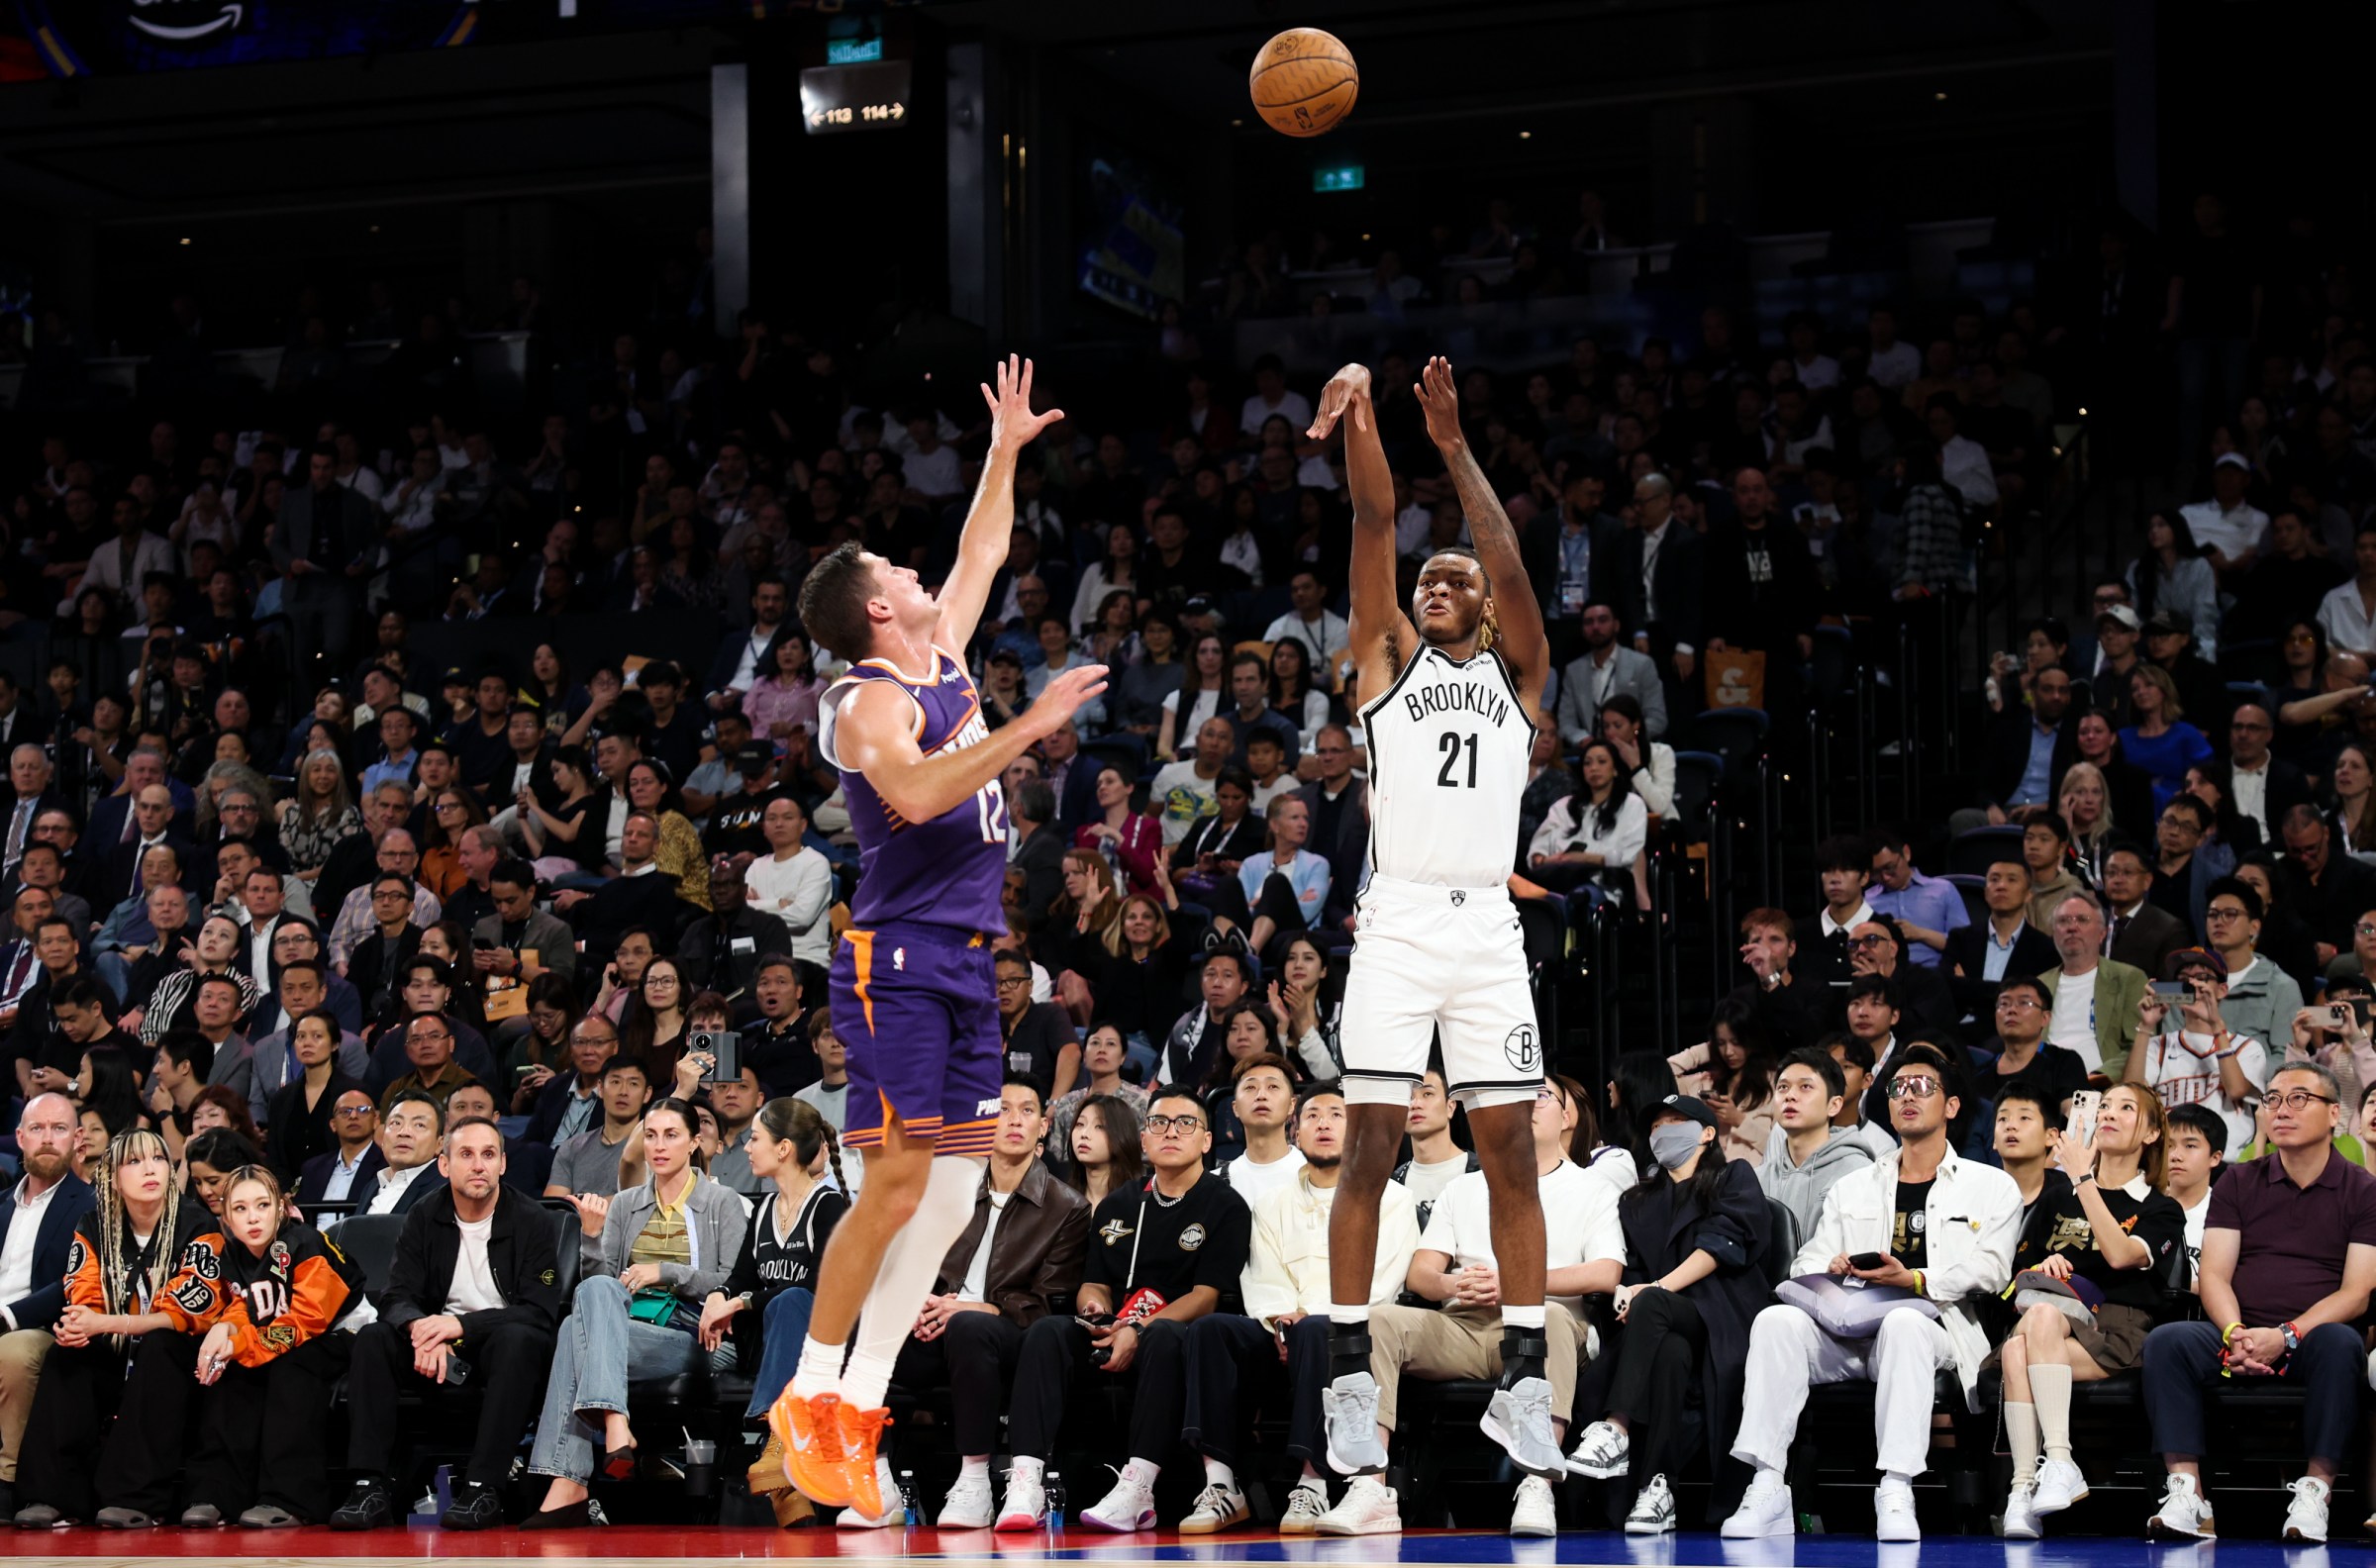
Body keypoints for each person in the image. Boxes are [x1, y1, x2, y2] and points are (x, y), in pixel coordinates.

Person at [770, 357, 1106, 1520]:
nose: (920, 574)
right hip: (899, 959)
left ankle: (857, 1408)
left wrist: (1006, 451)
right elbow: (914, 798)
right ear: (874, 609)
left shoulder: (941, 650)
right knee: (901, 1180)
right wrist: (1035, 721)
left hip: (965, 960)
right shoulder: (866, 699)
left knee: (957, 1196)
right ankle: (812, 1391)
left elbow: (980, 554)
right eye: (895, 572)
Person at [1307, 355, 1566, 1493]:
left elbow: (1510, 566)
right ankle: (1348, 1368)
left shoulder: (1520, 677)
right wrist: (1367, 414)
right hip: (1404, 919)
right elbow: (1372, 514)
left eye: (1458, 576)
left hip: (1488, 932)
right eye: (1433, 579)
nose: (1442, 583)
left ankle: (1520, 1374)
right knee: (1369, 1146)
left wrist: (1457, 446)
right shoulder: (1384, 663)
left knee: (1510, 1151)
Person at [1722, 1045, 2022, 1542]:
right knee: (1775, 1321)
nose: (1908, 1096)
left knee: (1906, 1323)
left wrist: (1915, 1281)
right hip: (1848, 1326)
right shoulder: (1856, 1186)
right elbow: (1807, 1262)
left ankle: (1896, 1486)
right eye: (1899, 1087)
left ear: (1951, 1106)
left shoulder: (1990, 1186)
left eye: (1923, 1087)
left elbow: (1991, 1270)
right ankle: (1768, 1483)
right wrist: (1834, 1270)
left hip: (1937, 1329)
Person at [1317, 1075, 1619, 1538]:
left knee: (1552, 1317)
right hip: (1463, 1323)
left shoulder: (1593, 1188)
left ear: (1567, 1116)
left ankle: (1538, 1483)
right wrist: (1453, 1282)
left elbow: (1605, 1273)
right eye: (1517, 1098)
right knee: (1379, 1320)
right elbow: (1421, 1274)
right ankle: (1371, 1489)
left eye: (1541, 1097)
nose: (1527, 1105)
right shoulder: (1464, 1188)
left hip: (1547, 1322)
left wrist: (1519, 1285)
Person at [992, 1084, 1252, 1532]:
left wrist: (1140, 1327)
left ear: (1206, 1140)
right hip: (1113, 1325)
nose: (1171, 1132)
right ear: (1144, 1139)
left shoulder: (1225, 1204)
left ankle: (1139, 1486)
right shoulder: (1119, 1204)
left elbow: (1206, 1296)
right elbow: (1093, 1281)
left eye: (1186, 1123)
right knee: (1048, 1332)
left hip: (1176, 1332)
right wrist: (1095, 1309)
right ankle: (1026, 1479)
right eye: (1158, 1123)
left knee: (1166, 1338)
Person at [2138, 1061, 2376, 1544]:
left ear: (2334, 1114)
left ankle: (2315, 1494)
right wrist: (2234, 1336)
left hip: (2310, 1338)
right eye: (2271, 1100)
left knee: (2340, 1344)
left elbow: (2356, 1292)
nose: (2280, 1110)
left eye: (2298, 1099)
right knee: (2170, 1341)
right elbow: (2216, 1276)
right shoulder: (2239, 1181)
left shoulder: (2363, 1189)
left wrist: (2286, 1335)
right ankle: (2188, 1494)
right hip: (2242, 1335)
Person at [1177, 1082, 1422, 1534]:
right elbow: (1262, 1275)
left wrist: (1305, 1320)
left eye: (1336, 1114)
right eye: (1312, 1116)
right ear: (1296, 1132)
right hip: (1282, 1328)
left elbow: (1385, 1280)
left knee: (1315, 1332)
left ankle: (1313, 1485)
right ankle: (1221, 1485)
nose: (1324, 1123)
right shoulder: (1272, 1202)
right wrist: (1278, 1324)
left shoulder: (1390, 1197)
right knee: (1211, 1331)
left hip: (1352, 1335)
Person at [523, 1097, 750, 1528]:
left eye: (670, 1135)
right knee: (587, 1304)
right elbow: (600, 1286)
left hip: (697, 1333)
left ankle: (571, 1478)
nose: (658, 1146)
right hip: (627, 1328)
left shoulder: (723, 1203)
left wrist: (663, 1271)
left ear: (694, 1142)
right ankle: (614, 1424)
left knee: (574, 1330)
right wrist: (590, 1238)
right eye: (650, 1135)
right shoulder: (625, 1204)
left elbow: (730, 1282)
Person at [329, 1117, 562, 1531]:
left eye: (489, 1155)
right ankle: (369, 1487)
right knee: (373, 1339)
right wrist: (421, 1329)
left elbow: (538, 1311)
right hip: (435, 1349)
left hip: (496, 1347)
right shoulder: (423, 1214)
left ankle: (482, 1488)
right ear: (444, 1164)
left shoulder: (533, 1221)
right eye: (466, 1155)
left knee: (519, 1340)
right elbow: (396, 1295)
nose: (478, 1166)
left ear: (503, 1165)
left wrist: (461, 1328)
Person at [1567, 1094, 1773, 1534]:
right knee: (1670, 1354)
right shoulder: (1637, 1200)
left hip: (1722, 1313)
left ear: (1707, 1133)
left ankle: (1615, 1428)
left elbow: (1724, 1245)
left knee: (1656, 1306)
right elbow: (1633, 1270)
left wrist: (1653, 1290)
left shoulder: (1732, 1176)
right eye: (1657, 1125)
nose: (1664, 1131)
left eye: (1677, 1121)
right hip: (1660, 1327)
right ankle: (1657, 1489)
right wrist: (1627, 1293)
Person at [889, 1077, 1089, 1530]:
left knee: (969, 1329)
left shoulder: (1067, 1206)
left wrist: (979, 1309)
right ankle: (877, 1476)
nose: (1014, 1119)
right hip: (942, 1322)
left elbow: (1049, 1302)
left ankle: (975, 1478)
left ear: (1043, 1127)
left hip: (1011, 1333)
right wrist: (919, 1300)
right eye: (1001, 1109)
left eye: (1026, 1110)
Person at [145, 1163, 365, 1525]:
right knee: (229, 1369)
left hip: (342, 1333)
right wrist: (225, 1333)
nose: (253, 1218)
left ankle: (290, 1499)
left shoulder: (306, 1243)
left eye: (263, 1205)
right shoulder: (231, 1254)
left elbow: (305, 1322)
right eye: (241, 1209)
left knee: (289, 1365)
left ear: (281, 1207)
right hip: (278, 1336)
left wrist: (240, 1342)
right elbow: (242, 1307)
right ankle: (214, 1493)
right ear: (226, 1217)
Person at [7, 1128, 206, 1529]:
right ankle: (52, 1495)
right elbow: (81, 1289)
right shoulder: (94, 1222)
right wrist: (79, 1324)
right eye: (134, 1162)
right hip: (115, 1352)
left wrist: (108, 1323)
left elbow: (187, 1311)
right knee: (68, 1353)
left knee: (160, 1344)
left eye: (158, 1159)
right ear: (113, 1177)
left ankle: (135, 1498)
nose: (149, 1169)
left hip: (185, 1361)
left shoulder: (197, 1223)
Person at [706, 1099, 852, 1529]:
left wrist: (747, 1301)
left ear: (784, 1148)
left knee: (792, 1302)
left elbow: (824, 1285)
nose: (746, 1148)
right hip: (766, 1348)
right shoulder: (763, 1210)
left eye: (754, 1139)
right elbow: (739, 1277)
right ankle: (789, 1488)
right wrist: (719, 1297)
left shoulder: (828, 1207)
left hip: (818, 1348)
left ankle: (779, 1441)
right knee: (780, 1304)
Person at [0, 1093, 94, 1512]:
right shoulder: (1, 1206)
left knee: (12, 1352)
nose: (47, 1139)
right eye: (37, 1129)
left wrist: (8, 1315)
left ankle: (4, 1480)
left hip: (43, 1327)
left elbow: (73, 1281)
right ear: (20, 1138)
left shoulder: (90, 1206)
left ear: (77, 1140)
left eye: (59, 1129)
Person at [1754, 1047, 1875, 1254]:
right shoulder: (1757, 1178)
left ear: (1834, 1105)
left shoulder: (1859, 1173)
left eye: (1805, 1087)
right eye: (1782, 1087)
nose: (1790, 1096)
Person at [2038, 894, 2147, 1080]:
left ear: (2102, 933)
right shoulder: (2039, 984)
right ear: (2053, 933)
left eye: (2082, 920)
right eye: (2063, 921)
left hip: (2101, 1085)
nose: (2072, 927)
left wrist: (2101, 1076)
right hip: (2045, 1083)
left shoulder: (2129, 978)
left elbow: (2138, 1044)